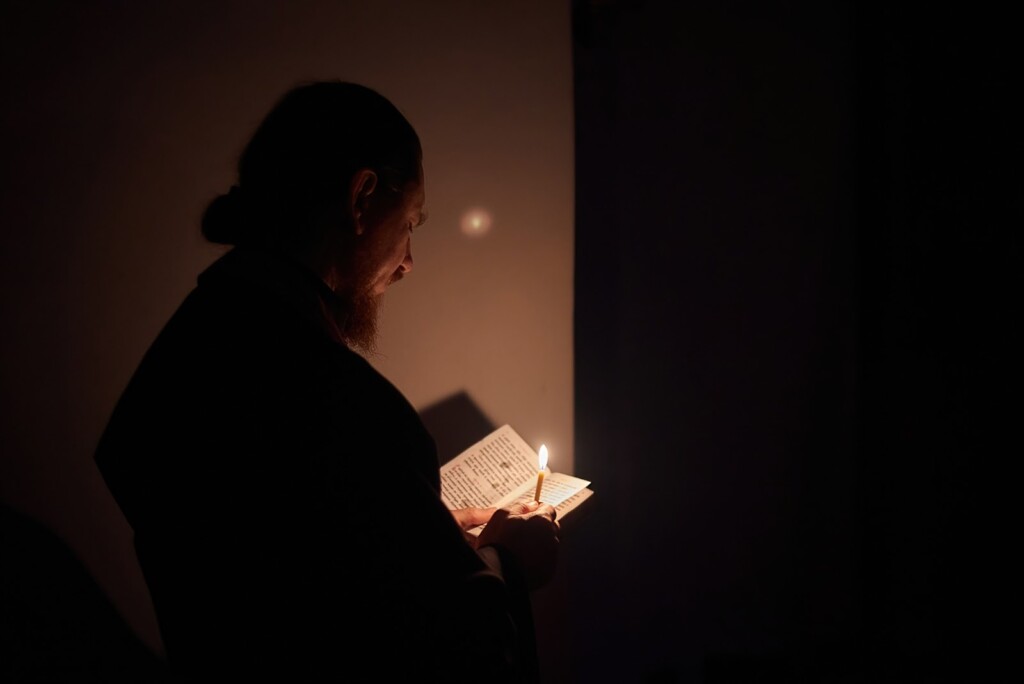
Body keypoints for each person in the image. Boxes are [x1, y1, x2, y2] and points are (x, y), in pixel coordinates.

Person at [94, 80, 560, 683]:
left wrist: (415, 532)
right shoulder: (345, 405)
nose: (408, 261)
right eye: (410, 222)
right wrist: (510, 560)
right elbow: (458, 650)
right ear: (362, 198)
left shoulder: (188, 347)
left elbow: (305, 555)